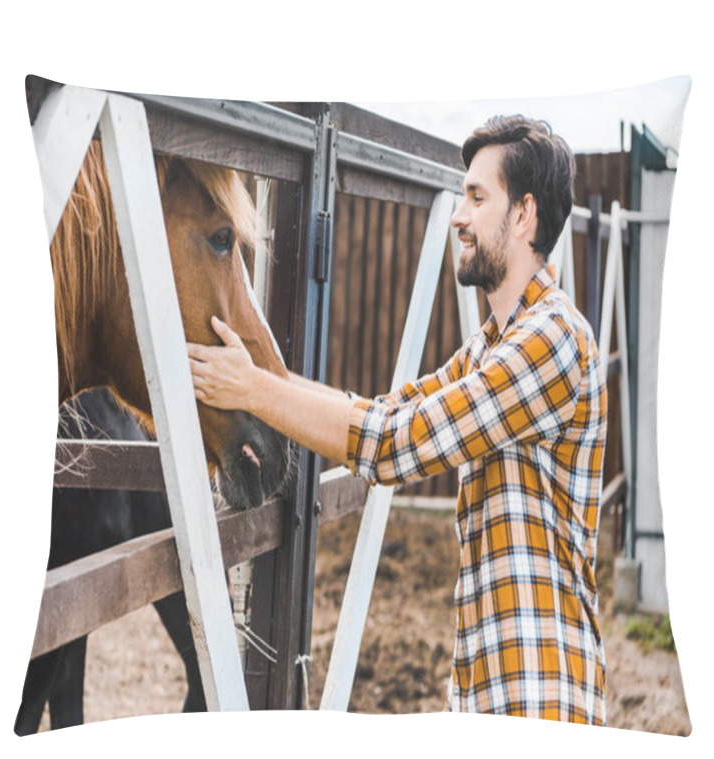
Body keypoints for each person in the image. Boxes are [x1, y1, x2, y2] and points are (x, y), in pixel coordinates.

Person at [187, 115, 608, 724]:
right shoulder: (495, 345)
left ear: (523, 217)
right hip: (493, 688)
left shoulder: (551, 341)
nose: (460, 218)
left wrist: (252, 389)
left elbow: (392, 446)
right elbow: (385, 411)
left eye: (476, 198)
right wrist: (259, 378)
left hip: (542, 696)